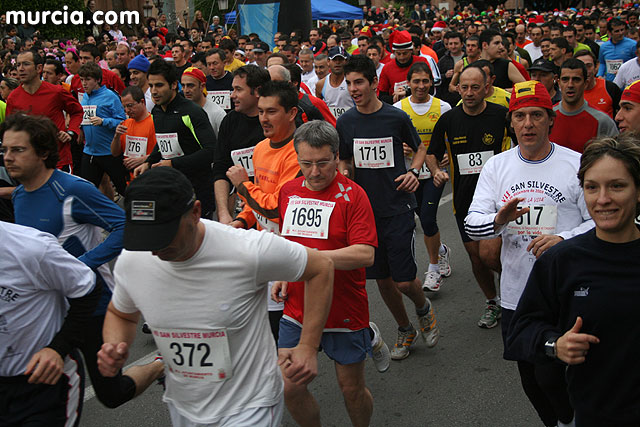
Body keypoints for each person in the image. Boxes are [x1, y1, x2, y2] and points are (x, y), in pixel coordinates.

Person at [97, 166, 334, 426]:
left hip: (248, 406)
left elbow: (321, 267)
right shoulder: (134, 259)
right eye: (146, 238)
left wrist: (308, 347)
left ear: (196, 212)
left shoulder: (245, 250)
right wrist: (114, 345)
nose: (155, 250)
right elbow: (121, 314)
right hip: (183, 406)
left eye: (164, 237)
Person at [3, 113, 164, 410]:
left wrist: (83, 264)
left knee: (111, 394)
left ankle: (159, 364)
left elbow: (126, 226)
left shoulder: (72, 190)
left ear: (44, 152)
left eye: (18, 150)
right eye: (4, 150)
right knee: (37, 382)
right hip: (49, 309)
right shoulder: (21, 196)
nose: (8, 158)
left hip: (92, 303)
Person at [464, 80, 594, 427]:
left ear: (550, 120)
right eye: (520, 116)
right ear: (511, 123)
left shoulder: (575, 165)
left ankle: (570, 419)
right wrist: (498, 219)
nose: (528, 124)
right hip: (516, 292)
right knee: (531, 379)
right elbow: (472, 225)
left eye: (536, 115)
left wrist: (564, 238)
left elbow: (597, 223)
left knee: (553, 375)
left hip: (563, 290)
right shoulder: (497, 167)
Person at [507, 133, 640, 427]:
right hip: (597, 414)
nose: (603, 199)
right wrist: (556, 345)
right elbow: (520, 334)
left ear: (638, 190)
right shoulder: (561, 261)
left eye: (617, 186)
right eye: (592, 188)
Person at [274, 121, 390, 427]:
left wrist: (311, 261)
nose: (314, 172)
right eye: (306, 163)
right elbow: (290, 242)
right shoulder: (288, 192)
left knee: (351, 390)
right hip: (297, 308)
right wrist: (286, 271)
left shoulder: (355, 196)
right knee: (289, 386)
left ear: (337, 157)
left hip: (344, 309)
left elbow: (365, 253)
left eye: (323, 163)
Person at [337, 55, 439, 360]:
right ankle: (405, 328)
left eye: (359, 82)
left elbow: (419, 148)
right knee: (382, 280)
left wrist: (414, 172)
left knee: (404, 280)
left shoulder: (395, 117)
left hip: (397, 207)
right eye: (349, 83)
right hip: (364, 213)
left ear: (372, 84)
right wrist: (344, 174)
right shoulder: (346, 122)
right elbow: (345, 159)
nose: (353, 89)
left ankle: (423, 307)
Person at [426, 64, 511, 329]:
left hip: (499, 198)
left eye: (476, 87)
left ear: (487, 88)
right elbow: (432, 152)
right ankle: (493, 301)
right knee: (477, 257)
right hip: (465, 200)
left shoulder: (502, 116)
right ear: (457, 88)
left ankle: (516, 296)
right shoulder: (450, 120)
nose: (470, 93)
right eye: (464, 87)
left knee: (493, 255)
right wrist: (435, 171)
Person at [0, 220, 100, 427]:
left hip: (44, 383)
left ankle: (158, 366)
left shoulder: (31, 248)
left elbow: (88, 289)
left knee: (112, 392)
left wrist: (57, 348)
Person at [393, 62, 452, 292]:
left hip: (434, 173)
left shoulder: (443, 107)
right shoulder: (398, 108)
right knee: (422, 217)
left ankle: (434, 269)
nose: (420, 86)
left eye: (425, 81)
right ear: (408, 83)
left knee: (427, 218)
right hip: (410, 174)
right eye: (416, 81)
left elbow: (450, 137)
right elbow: (393, 141)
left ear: (432, 82)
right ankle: (442, 250)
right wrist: (403, 149)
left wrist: (447, 154)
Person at [134, 59, 216, 219]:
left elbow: (211, 151)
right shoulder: (157, 111)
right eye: (151, 86)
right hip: (171, 187)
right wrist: (149, 162)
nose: (154, 91)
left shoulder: (192, 111)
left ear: (173, 85)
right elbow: (163, 141)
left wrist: (173, 163)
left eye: (159, 85)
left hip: (198, 189)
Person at [6, 50, 83, 172]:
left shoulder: (56, 92)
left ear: (39, 68)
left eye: (26, 64)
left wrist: (71, 133)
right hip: (29, 163)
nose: (21, 69)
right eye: (18, 65)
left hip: (58, 160)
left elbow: (77, 112)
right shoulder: (13, 98)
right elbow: (10, 129)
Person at [212, 65, 270, 224]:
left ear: (257, 91)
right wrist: (223, 213)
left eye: (238, 89)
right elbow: (220, 167)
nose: (232, 95)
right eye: (232, 89)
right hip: (240, 211)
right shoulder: (230, 121)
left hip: (269, 209)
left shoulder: (274, 123)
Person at [78, 62, 128, 196]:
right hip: (90, 152)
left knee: (124, 189)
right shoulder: (85, 97)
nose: (84, 83)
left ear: (98, 80)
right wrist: (80, 129)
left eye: (88, 79)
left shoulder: (110, 96)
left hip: (109, 153)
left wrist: (104, 121)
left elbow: (122, 122)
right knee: (87, 192)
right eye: (82, 79)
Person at [550, 59, 618, 153]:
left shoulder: (602, 121)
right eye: (565, 79)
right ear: (558, 82)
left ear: (585, 84)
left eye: (576, 79)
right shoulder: (547, 117)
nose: (570, 85)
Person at [110, 85, 157, 175]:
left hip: (150, 176)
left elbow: (163, 153)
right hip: (131, 177)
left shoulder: (155, 123)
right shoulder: (125, 124)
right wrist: (116, 136)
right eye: (124, 107)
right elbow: (115, 153)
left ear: (142, 102)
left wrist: (142, 160)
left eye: (130, 106)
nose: (127, 110)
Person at [574, 49, 621, 119]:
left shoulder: (610, 88)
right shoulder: (570, 91)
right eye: (581, 66)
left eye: (589, 66)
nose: (586, 71)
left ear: (596, 67)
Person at [181, 66, 226, 137]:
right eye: (183, 86)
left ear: (202, 86)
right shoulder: (180, 110)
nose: (186, 90)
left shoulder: (217, 113)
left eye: (190, 85)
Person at [316, 46, 354, 111]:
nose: (337, 62)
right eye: (334, 59)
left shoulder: (352, 82)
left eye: (340, 59)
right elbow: (318, 108)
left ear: (346, 61)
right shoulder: (321, 84)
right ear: (328, 61)